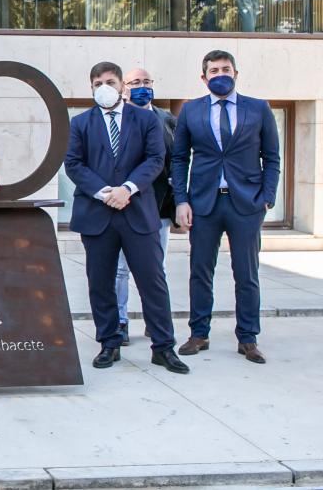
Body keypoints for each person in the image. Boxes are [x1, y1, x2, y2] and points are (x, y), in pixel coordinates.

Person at [64, 61, 187, 375]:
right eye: (97, 83)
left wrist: (128, 189)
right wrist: (105, 192)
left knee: (152, 281)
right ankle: (109, 342)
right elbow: (74, 165)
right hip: (98, 214)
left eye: (109, 81)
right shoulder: (80, 123)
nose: (103, 87)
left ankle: (163, 347)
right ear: (91, 88)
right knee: (101, 283)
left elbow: (155, 159)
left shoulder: (145, 120)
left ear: (121, 85)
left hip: (138, 212)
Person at [172, 50, 280, 364]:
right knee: (200, 271)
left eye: (226, 69)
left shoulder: (258, 109)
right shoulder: (191, 111)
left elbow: (271, 157)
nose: (221, 74)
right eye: (214, 70)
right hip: (204, 203)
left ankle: (247, 337)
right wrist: (182, 200)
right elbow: (180, 159)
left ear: (235, 73)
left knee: (247, 274)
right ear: (204, 78)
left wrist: (267, 197)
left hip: (246, 204)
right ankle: (199, 333)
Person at [114, 67, 177, 345]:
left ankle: (155, 321)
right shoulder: (116, 118)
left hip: (158, 207)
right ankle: (120, 321)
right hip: (124, 206)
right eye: (135, 82)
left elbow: (176, 163)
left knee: (155, 268)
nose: (142, 86)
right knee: (120, 270)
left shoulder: (167, 120)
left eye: (147, 81)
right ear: (124, 88)